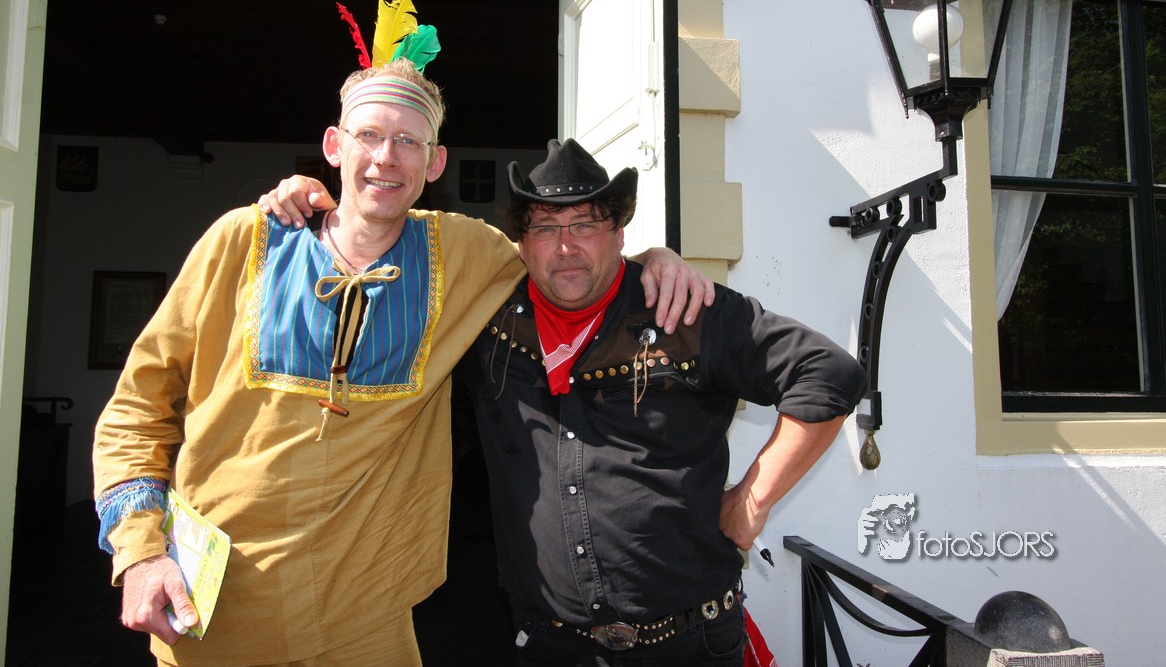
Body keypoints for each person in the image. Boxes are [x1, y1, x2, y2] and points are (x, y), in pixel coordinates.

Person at [92, 52, 711, 667]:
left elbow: (570, 262)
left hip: (367, 619)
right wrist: (140, 552)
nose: (387, 157)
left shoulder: (466, 253)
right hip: (216, 610)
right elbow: (135, 410)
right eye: (369, 135)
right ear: (334, 145)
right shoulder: (243, 239)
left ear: (435, 162)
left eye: (409, 141)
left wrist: (656, 260)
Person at [267, 138, 869, 666]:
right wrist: (320, 214)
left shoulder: (682, 311)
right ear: (520, 244)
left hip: (690, 644)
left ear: (619, 234)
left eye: (585, 225)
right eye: (546, 229)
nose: (565, 247)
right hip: (547, 645)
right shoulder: (484, 319)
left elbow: (828, 374)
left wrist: (752, 501)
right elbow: (373, 276)